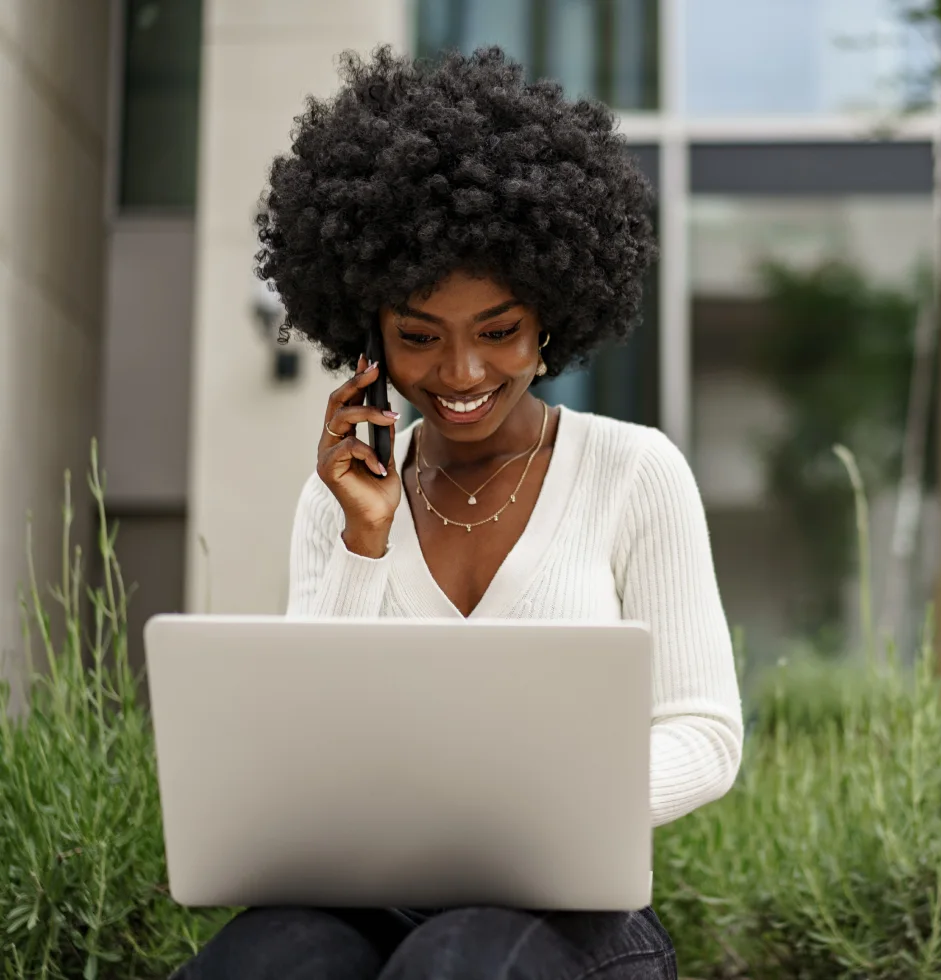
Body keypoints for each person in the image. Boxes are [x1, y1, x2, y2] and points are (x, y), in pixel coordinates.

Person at [174, 44, 742, 980]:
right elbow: (315, 743)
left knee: (460, 959)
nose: (464, 374)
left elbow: (706, 734)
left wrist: (536, 803)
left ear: (552, 316)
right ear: (367, 332)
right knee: (270, 957)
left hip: (567, 918)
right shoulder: (338, 503)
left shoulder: (633, 472)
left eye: (499, 330)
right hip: (368, 893)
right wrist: (365, 540)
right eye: (418, 337)